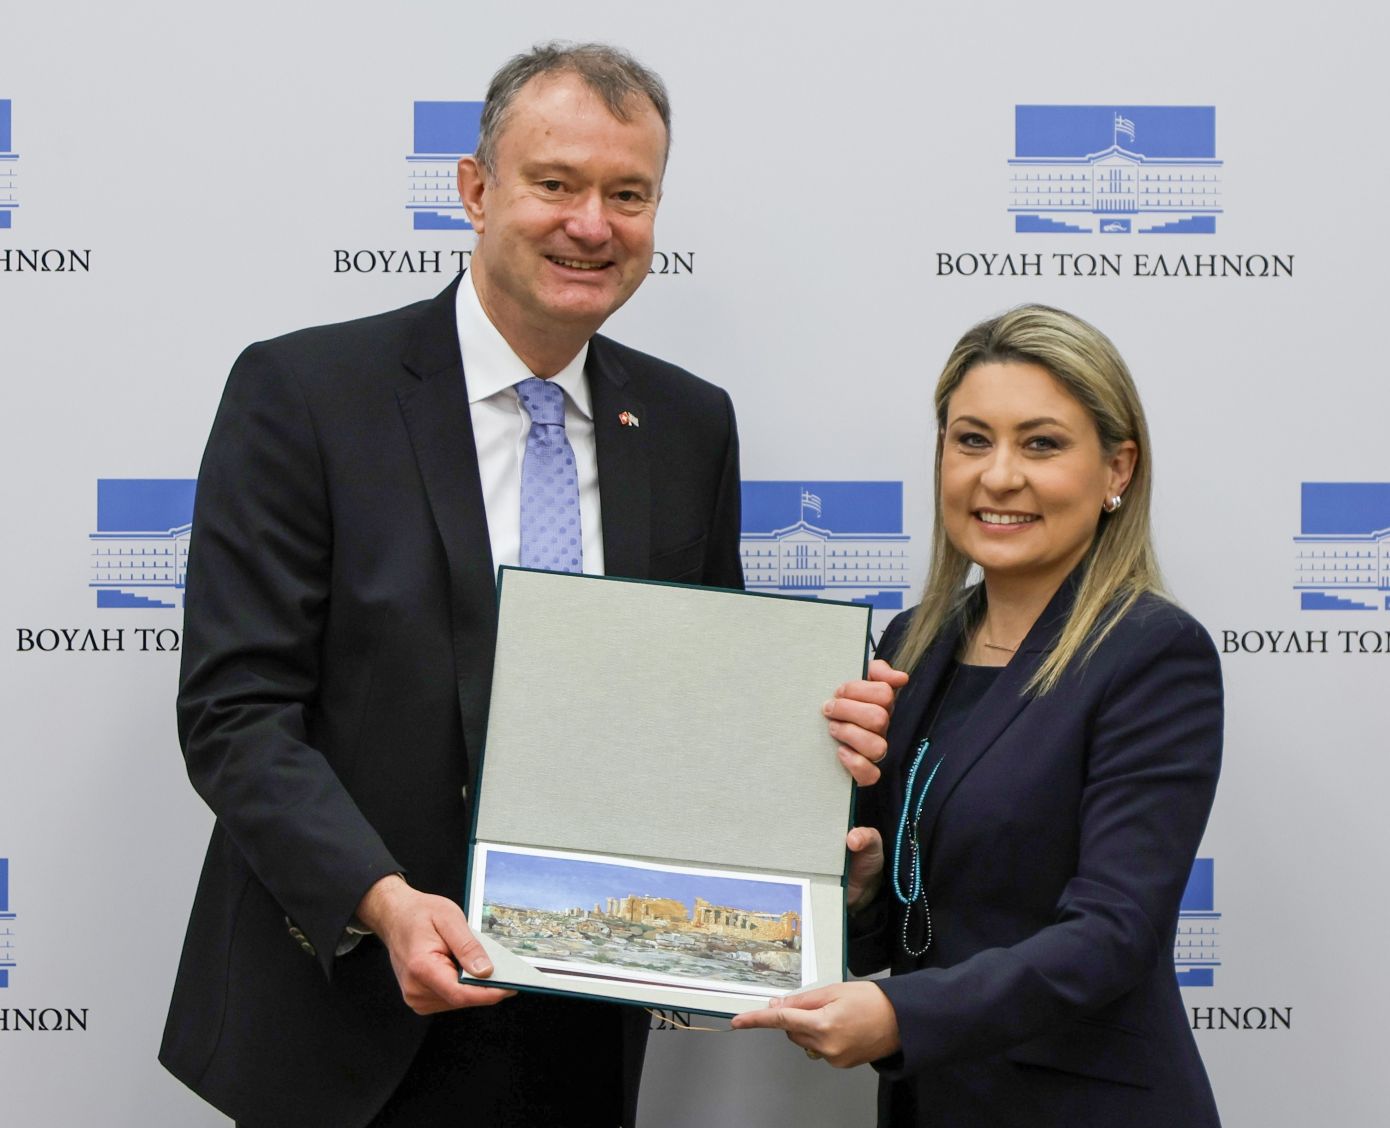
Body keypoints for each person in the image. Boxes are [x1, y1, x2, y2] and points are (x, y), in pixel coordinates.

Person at [160, 42, 742, 1128]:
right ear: (475, 191)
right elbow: (236, 713)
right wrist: (382, 904)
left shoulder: (688, 425)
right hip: (348, 1008)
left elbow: (698, 702)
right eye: (556, 183)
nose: (592, 225)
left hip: (581, 1013)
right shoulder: (305, 394)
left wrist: (798, 815)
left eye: (628, 195)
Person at [734, 305, 1222, 1126]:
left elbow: (1113, 934)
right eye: (971, 440)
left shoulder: (1152, 654)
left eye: (1041, 444)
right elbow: (919, 915)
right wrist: (862, 887)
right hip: (932, 1103)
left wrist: (900, 1016)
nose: (998, 476)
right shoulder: (913, 643)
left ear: (1117, 469)